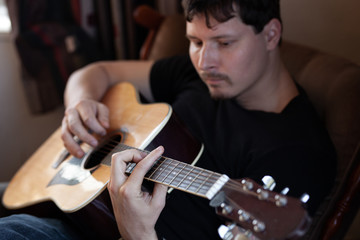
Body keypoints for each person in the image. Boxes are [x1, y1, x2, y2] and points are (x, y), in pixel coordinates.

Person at [0, 0, 336, 239]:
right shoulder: (200, 77)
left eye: (224, 42)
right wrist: (80, 105)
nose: (205, 60)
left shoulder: (296, 153)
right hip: (62, 191)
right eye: (195, 41)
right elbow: (96, 71)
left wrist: (137, 232)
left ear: (271, 34)